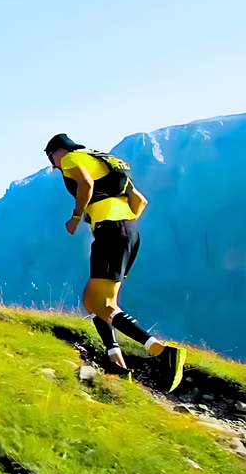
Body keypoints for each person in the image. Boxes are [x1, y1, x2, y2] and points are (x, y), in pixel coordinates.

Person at [45, 133, 186, 391]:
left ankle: (162, 352)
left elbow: (86, 184)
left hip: (111, 233)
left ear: (58, 150)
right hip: (127, 232)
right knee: (97, 301)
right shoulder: (105, 161)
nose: (53, 165)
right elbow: (139, 201)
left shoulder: (71, 159)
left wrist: (77, 217)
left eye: (50, 157)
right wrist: (120, 222)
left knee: (100, 302)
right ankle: (116, 364)